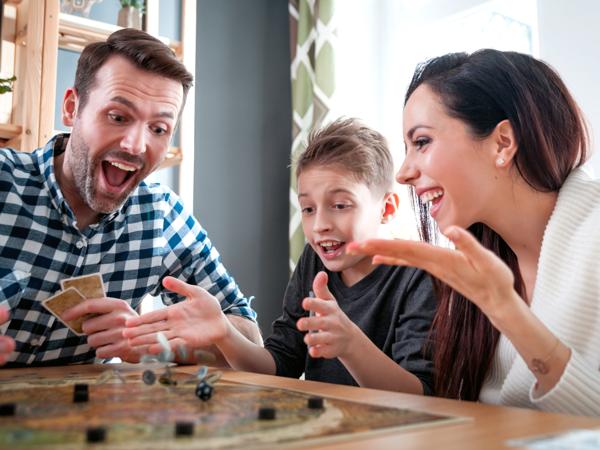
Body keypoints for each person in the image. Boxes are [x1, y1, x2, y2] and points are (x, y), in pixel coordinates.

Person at [347, 49, 600, 416]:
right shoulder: (477, 267)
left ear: (502, 143)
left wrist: (506, 310)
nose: (402, 173)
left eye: (421, 142)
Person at [0, 28, 261, 367]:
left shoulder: (162, 217)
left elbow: (248, 337)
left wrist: (155, 342)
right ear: (71, 108)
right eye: (118, 117)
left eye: (158, 129)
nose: (136, 145)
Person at [124, 118, 437, 394]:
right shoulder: (314, 263)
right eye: (308, 209)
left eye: (340, 205)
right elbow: (279, 365)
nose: (320, 225)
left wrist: (350, 345)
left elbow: (421, 395)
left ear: (387, 208)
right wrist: (224, 332)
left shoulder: (418, 274)